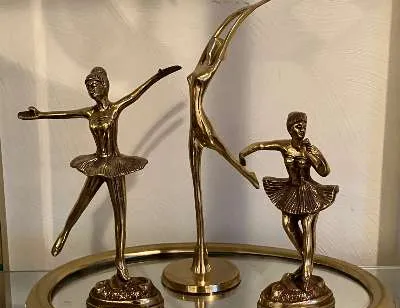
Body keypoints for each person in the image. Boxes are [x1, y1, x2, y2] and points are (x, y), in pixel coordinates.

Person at [18, 65, 181, 282]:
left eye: (94, 85)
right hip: (97, 162)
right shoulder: (89, 112)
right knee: (81, 202)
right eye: (88, 86)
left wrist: (157, 76)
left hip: (114, 165)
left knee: (120, 215)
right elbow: (65, 114)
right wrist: (39, 115)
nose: (91, 89)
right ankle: (65, 232)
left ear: (104, 85)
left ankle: (120, 262)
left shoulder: (115, 108)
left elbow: (137, 94)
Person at [187, 0, 271, 275]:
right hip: (192, 129)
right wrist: (235, 14)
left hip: (201, 125)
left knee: (225, 155)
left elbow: (223, 40)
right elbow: (215, 38)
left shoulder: (207, 71)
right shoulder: (200, 65)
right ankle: (200, 252)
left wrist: (246, 13)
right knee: (196, 185)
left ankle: (246, 174)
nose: (214, 50)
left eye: (217, 51)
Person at [239, 112, 339, 288]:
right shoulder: (284, 146)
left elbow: (324, 171)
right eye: (298, 126)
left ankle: (306, 271)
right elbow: (262, 145)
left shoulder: (310, 149)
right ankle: (306, 260)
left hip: (309, 192)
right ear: (290, 128)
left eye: (304, 126)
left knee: (307, 226)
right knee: (287, 223)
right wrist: (244, 153)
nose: (302, 130)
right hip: (291, 190)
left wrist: (308, 154)